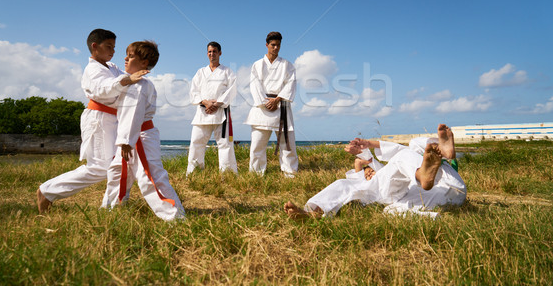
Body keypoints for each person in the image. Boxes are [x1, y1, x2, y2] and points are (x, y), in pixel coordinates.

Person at [37, 29, 147, 214]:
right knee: (100, 167)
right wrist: (127, 80)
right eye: (108, 46)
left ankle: (113, 206)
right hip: (98, 119)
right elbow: (104, 89)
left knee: (121, 163)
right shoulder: (92, 70)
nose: (112, 51)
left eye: (114, 47)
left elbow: (129, 77)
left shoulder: (111, 67)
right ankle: (47, 191)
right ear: (94, 47)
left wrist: (141, 66)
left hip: (115, 119)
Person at [284, 124, 466, 219]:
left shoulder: (381, 174)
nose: (367, 171)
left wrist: (366, 152)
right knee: (390, 210)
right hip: (440, 194)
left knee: (408, 151)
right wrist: (364, 160)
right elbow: (362, 175)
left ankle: (444, 154)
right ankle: (312, 212)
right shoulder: (361, 185)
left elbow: (382, 163)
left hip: (437, 184)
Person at [101, 41, 185, 221]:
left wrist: (126, 142)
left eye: (130, 56)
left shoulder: (140, 85)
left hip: (139, 137)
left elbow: (133, 114)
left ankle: (175, 216)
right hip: (131, 137)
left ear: (144, 63)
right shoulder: (130, 83)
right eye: (126, 54)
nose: (125, 58)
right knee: (117, 172)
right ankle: (111, 209)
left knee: (150, 177)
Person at [245, 31, 298, 177]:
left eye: (278, 45)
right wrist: (265, 102)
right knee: (257, 144)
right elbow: (254, 85)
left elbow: (291, 84)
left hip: (282, 105)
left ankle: (290, 172)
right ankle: (256, 173)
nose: (275, 48)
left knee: (287, 143)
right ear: (267, 45)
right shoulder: (257, 64)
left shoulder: (287, 65)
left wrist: (278, 100)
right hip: (262, 107)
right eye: (273, 45)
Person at [186, 41, 238, 175]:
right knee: (196, 143)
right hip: (203, 112)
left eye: (214, 51)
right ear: (207, 53)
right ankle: (194, 172)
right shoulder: (200, 72)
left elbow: (232, 90)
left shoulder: (227, 72)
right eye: (209, 51)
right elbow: (193, 91)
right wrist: (205, 102)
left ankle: (227, 174)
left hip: (221, 111)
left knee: (225, 144)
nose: (212, 54)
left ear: (220, 53)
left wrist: (217, 104)